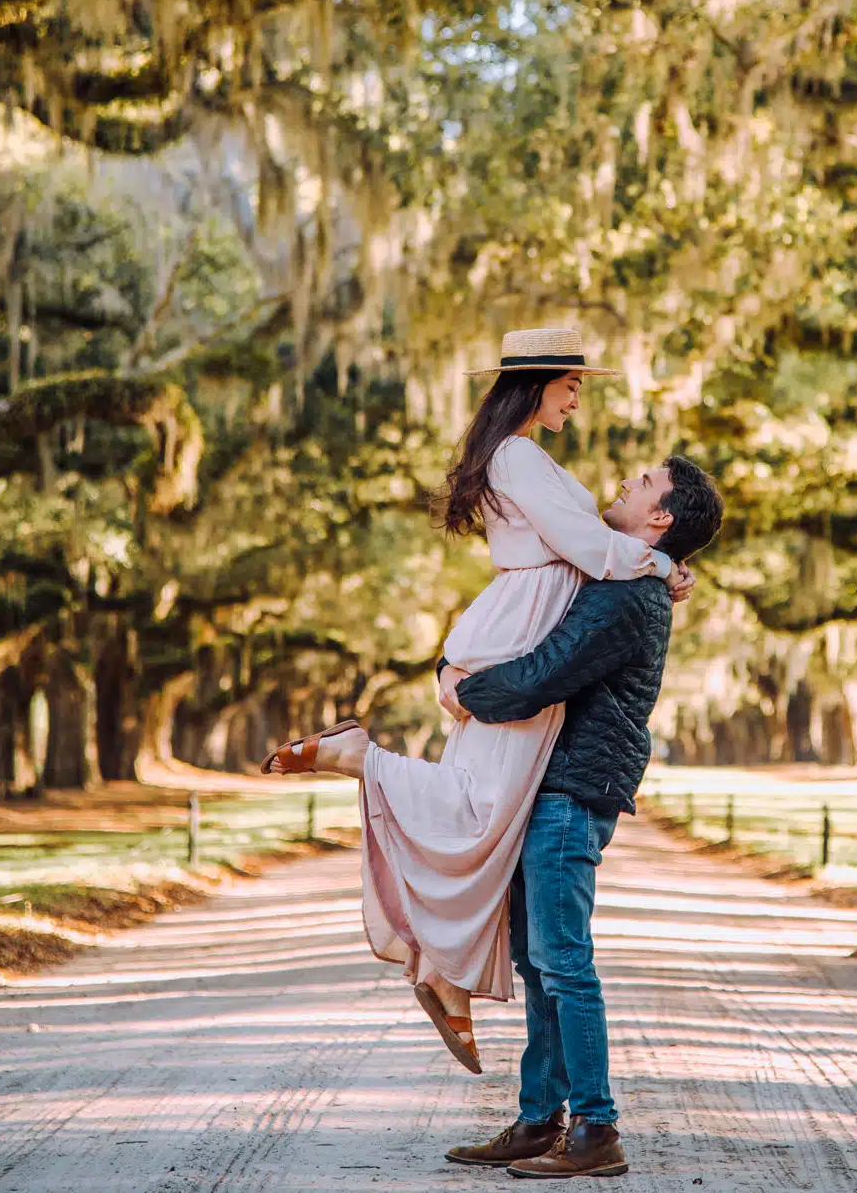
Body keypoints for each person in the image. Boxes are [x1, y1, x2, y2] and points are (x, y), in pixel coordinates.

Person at [262, 326, 694, 1070]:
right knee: (484, 807)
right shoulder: (518, 455)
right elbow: (585, 546)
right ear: (538, 381)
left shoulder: (527, 455)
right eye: (572, 385)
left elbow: (585, 542)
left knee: (487, 805)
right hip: (523, 623)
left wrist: (654, 561)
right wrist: (656, 561)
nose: (579, 399)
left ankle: (446, 972)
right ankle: (362, 765)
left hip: (526, 618)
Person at [440, 453, 723, 1180]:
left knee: (564, 963)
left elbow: (543, 674)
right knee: (540, 962)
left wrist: (460, 688)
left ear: (660, 517)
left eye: (646, 481)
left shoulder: (624, 599)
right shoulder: (629, 577)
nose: (628, 479)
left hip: (572, 789)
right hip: (554, 784)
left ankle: (596, 1129)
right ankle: (541, 1118)